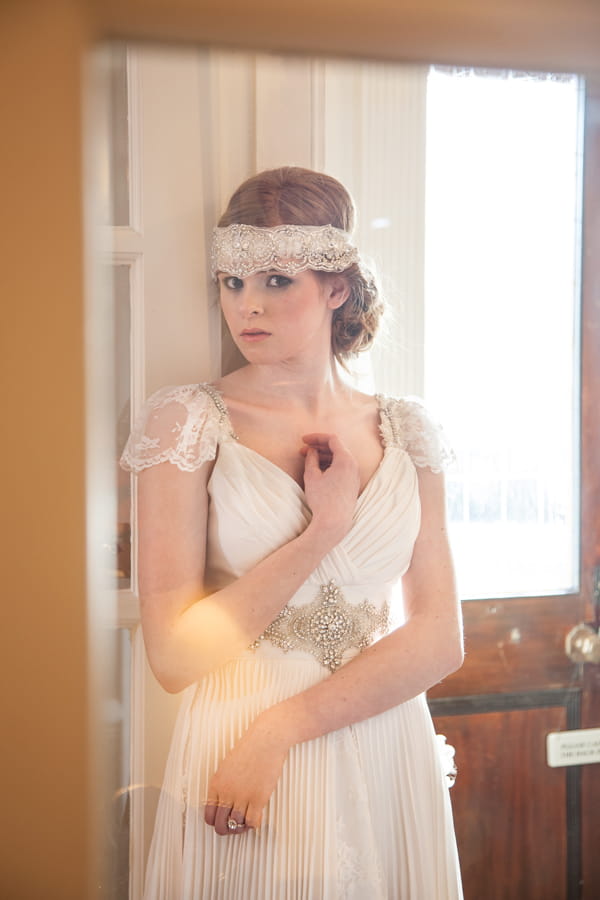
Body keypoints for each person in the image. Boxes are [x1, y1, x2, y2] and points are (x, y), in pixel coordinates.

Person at [121, 166, 464, 899]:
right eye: (231, 282)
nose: (247, 307)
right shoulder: (186, 422)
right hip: (235, 748)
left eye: (277, 280)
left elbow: (440, 638)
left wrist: (282, 730)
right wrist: (323, 529)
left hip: (377, 735)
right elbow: (175, 656)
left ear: (337, 286)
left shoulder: (408, 428)